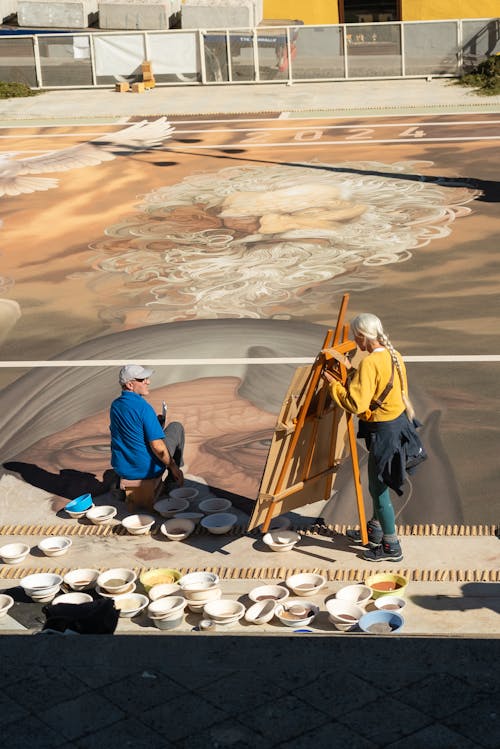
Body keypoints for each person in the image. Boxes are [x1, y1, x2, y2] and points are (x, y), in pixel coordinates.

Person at [323, 313, 426, 563]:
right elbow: (376, 385)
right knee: (378, 485)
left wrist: (334, 386)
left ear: (361, 336)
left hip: (383, 433)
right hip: (397, 426)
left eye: (355, 337)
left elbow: (356, 403)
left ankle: (391, 546)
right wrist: (351, 372)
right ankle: (375, 530)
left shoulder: (370, 363)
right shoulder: (394, 355)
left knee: (378, 491)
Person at [110, 363, 185, 490]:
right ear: (130, 385)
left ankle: (120, 486)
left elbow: (130, 431)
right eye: (142, 379)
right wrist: (173, 467)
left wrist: (156, 424)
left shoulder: (115, 406)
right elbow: (157, 446)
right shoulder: (144, 408)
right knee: (176, 427)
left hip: (121, 468)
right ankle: (172, 481)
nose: (148, 382)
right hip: (147, 469)